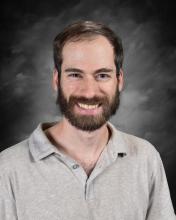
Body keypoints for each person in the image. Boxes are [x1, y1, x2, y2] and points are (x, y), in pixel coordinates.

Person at [0, 21, 175, 220]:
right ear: (57, 80)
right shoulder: (7, 168)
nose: (89, 92)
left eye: (102, 75)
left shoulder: (145, 158)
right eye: (75, 75)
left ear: (119, 80)